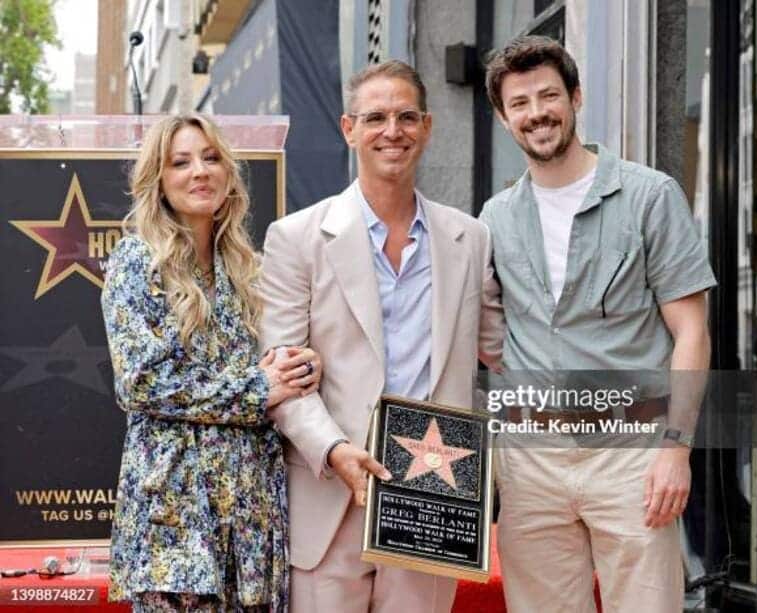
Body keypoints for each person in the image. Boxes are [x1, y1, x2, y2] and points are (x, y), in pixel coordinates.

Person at [479, 36, 717, 612]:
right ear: (504, 118)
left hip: (631, 455)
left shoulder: (649, 196)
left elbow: (692, 332)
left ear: (576, 97)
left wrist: (675, 449)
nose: (537, 113)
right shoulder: (495, 218)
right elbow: (488, 334)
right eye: (520, 104)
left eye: (548, 95)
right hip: (531, 461)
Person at [259, 60, 503, 613]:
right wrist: (336, 450)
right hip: (331, 492)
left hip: (434, 491)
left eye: (406, 116)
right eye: (375, 118)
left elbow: (503, 349)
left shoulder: (472, 238)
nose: (392, 131)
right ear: (349, 129)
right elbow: (282, 381)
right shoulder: (295, 238)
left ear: (427, 126)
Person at [101, 114, 322, 612]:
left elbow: (275, 366)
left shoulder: (250, 269)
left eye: (211, 157)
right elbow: (142, 382)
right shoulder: (138, 260)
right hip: (175, 513)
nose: (200, 171)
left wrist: (301, 365)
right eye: (180, 162)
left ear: (229, 174)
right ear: (158, 180)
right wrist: (255, 388)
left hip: (250, 514)